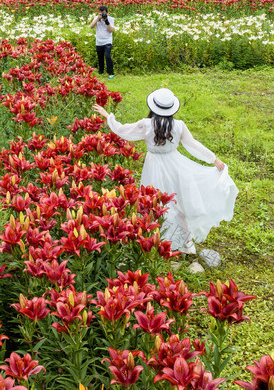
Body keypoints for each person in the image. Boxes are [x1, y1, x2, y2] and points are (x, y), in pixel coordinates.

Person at [92, 89, 237, 271]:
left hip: (154, 165)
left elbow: (123, 130)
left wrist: (108, 116)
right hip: (175, 165)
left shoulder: (146, 124)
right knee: (177, 201)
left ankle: (156, 241)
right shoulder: (179, 125)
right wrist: (212, 159)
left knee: (153, 203)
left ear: (153, 107)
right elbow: (193, 145)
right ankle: (185, 243)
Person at [90, 5, 116, 79]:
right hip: (99, 41)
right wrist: (98, 18)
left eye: (104, 13)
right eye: (101, 13)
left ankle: (111, 73)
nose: (103, 15)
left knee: (107, 56)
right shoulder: (97, 18)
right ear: (99, 13)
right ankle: (101, 72)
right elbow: (91, 26)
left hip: (107, 40)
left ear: (107, 13)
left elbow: (111, 30)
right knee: (100, 57)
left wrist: (106, 21)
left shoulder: (110, 19)